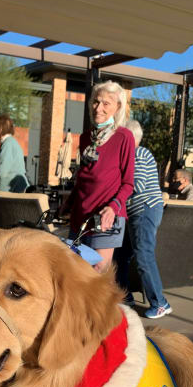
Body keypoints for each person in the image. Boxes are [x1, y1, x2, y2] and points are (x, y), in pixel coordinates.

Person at [62, 80, 135, 273]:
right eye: (96, 101)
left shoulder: (124, 137)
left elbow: (128, 183)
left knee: (97, 272)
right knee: (75, 271)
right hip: (81, 216)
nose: (99, 107)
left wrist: (113, 207)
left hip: (106, 216)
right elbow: (83, 177)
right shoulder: (86, 138)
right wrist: (68, 203)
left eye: (106, 103)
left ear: (117, 107)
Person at [118, 120, 172, 319]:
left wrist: (115, 193)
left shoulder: (137, 153)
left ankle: (160, 303)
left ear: (128, 138)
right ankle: (125, 296)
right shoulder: (135, 155)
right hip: (137, 212)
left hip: (144, 210)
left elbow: (136, 184)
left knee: (143, 256)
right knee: (122, 255)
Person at [0, 114, 29, 193]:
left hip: (11, 190)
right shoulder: (11, 142)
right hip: (16, 188)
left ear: (0, 129)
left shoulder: (7, 144)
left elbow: (3, 171)